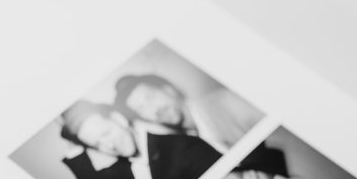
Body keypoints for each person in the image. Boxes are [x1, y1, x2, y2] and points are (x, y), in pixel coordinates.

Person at [59, 100, 221, 179]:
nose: (109, 146)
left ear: (119, 119)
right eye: (97, 145)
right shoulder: (125, 166)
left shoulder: (182, 147)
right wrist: (74, 144)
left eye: (106, 133)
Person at [113, 73, 263, 153]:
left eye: (150, 97)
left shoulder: (227, 101)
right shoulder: (188, 144)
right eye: (141, 109)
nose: (154, 110)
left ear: (169, 89)